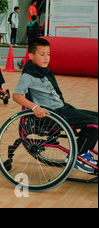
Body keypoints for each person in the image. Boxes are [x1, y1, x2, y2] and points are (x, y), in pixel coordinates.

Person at [13, 38, 98, 174]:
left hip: (62, 108)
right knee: (93, 123)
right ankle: (79, 156)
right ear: (31, 56)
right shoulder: (28, 75)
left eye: (48, 54)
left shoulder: (45, 71)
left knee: (96, 119)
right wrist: (35, 107)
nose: (46, 58)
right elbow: (17, 96)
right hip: (53, 113)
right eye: (42, 55)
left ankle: (82, 149)